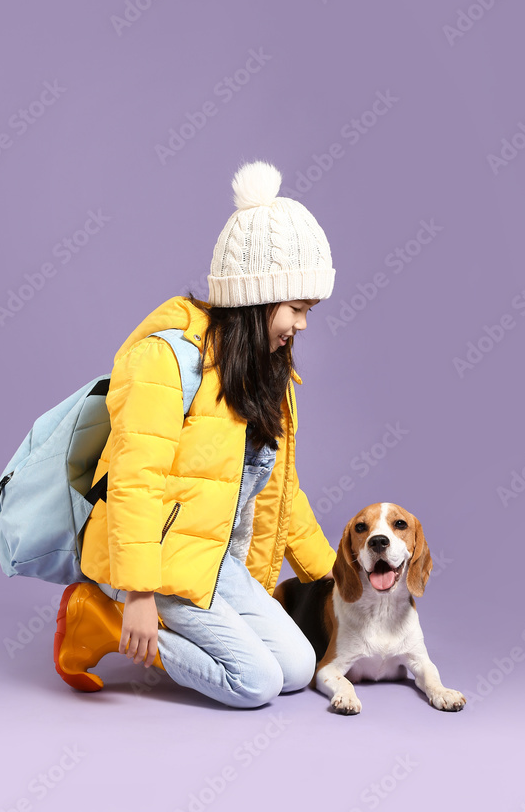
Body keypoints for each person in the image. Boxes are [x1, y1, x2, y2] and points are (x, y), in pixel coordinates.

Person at [54, 158, 338, 708]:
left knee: (299, 666)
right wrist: (137, 592)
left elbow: (282, 492)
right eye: (297, 308)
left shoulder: (265, 375)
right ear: (257, 299)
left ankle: (152, 620)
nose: (302, 325)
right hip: (152, 562)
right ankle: (101, 619)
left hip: (212, 563)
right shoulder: (167, 361)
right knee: (254, 684)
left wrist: (334, 575)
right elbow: (135, 480)